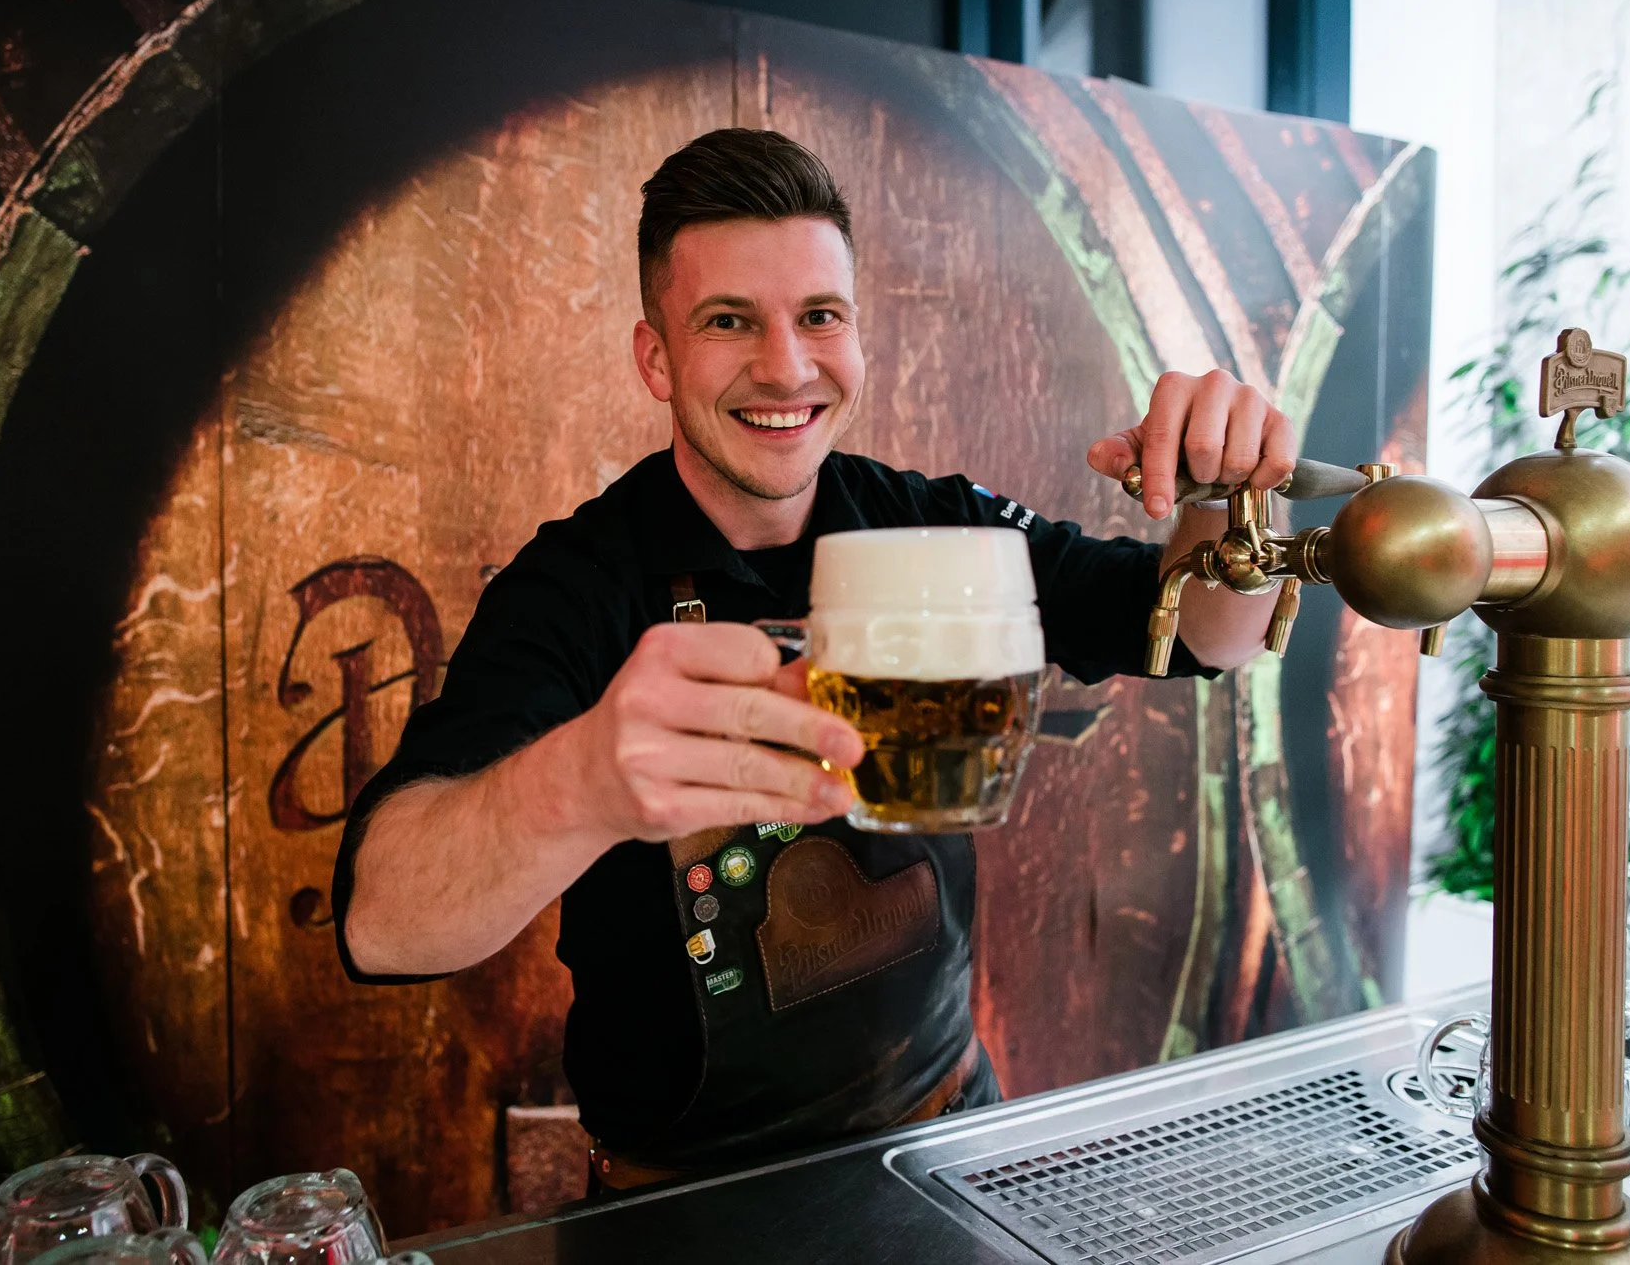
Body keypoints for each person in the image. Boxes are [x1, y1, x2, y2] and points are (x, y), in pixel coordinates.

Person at [333, 128, 1294, 1189]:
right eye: (728, 321)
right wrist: (584, 784)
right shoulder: (576, 587)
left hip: (942, 1141)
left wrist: (1224, 492)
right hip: (685, 1207)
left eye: (818, 317)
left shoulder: (933, 534)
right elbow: (382, 925)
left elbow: (1205, 634)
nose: (785, 367)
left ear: (857, 336)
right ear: (655, 357)